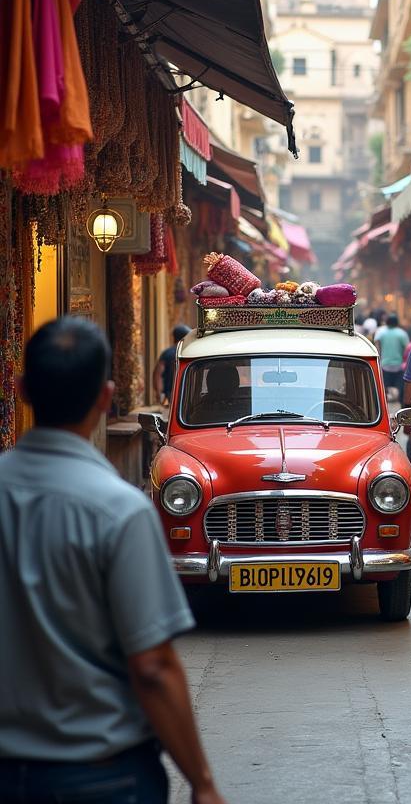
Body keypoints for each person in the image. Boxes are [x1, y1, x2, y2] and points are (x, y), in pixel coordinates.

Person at [0, 318, 225, 804]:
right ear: (105, 397)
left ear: (20, 391)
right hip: (99, 774)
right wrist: (202, 782)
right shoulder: (118, 510)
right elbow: (153, 667)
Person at [152, 324, 190, 406]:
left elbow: (157, 374)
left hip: (171, 395)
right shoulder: (189, 352)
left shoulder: (167, 353)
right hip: (188, 393)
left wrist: (159, 393)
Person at [374, 314, 409, 402]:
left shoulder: (381, 332)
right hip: (399, 366)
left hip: (385, 365)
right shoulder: (402, 333)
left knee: (383, 389)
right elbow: (407, 349)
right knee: (400, 388)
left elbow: (377, 347)